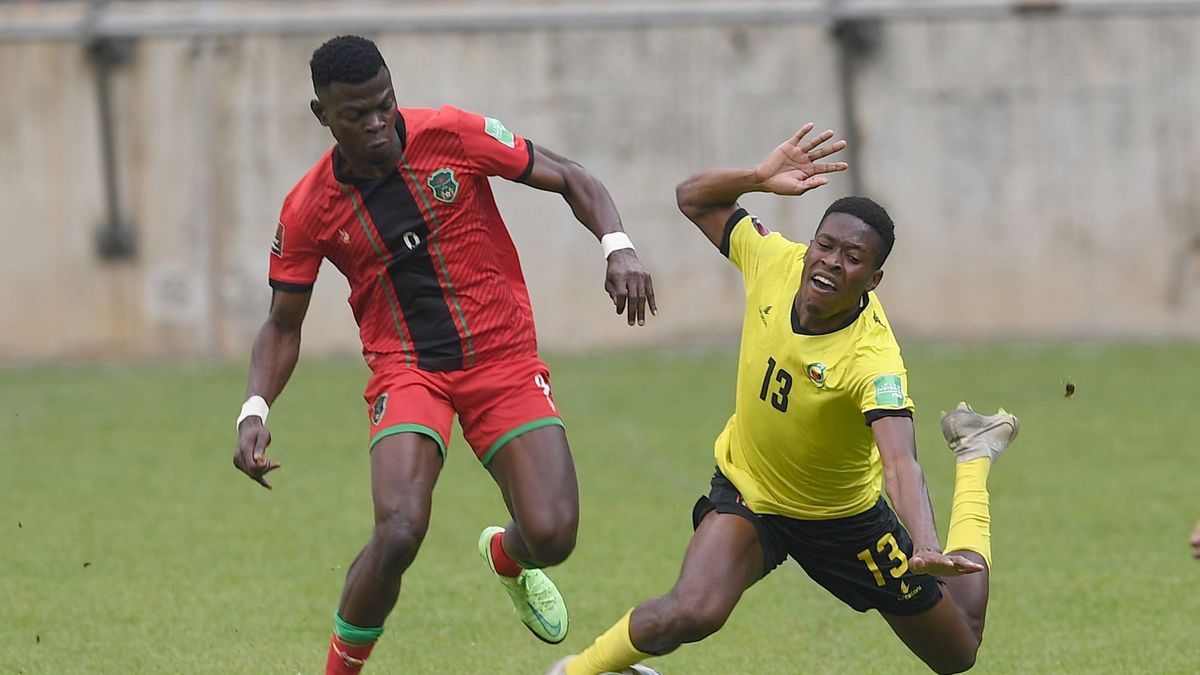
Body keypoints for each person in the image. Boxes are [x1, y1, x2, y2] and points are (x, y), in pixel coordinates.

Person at [230, 35, 656, 675]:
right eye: (356, 115)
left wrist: (617, 245)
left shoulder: (453, 134)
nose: (377, 124)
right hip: (408, 372)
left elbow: (571, 176)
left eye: (384, 104)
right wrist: (255, 407)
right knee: (399, 528)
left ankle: (508, 557)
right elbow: (282, 325)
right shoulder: (309, 208)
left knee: (554, 535)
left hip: (502, 358)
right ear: (323, 115)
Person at [548, 124, 1019, 675]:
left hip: (845, 521)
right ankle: (577, 671)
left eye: (852, 258)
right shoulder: (774, 261)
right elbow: (691, 197)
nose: (830, 263)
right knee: (689, 612)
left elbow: (900, 460)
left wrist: (923, 544)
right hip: (753, 492)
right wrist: (757, 178)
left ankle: (974, 456)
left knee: (958, 651)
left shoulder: (874, 361)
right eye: (825, 245)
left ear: (873, 279)